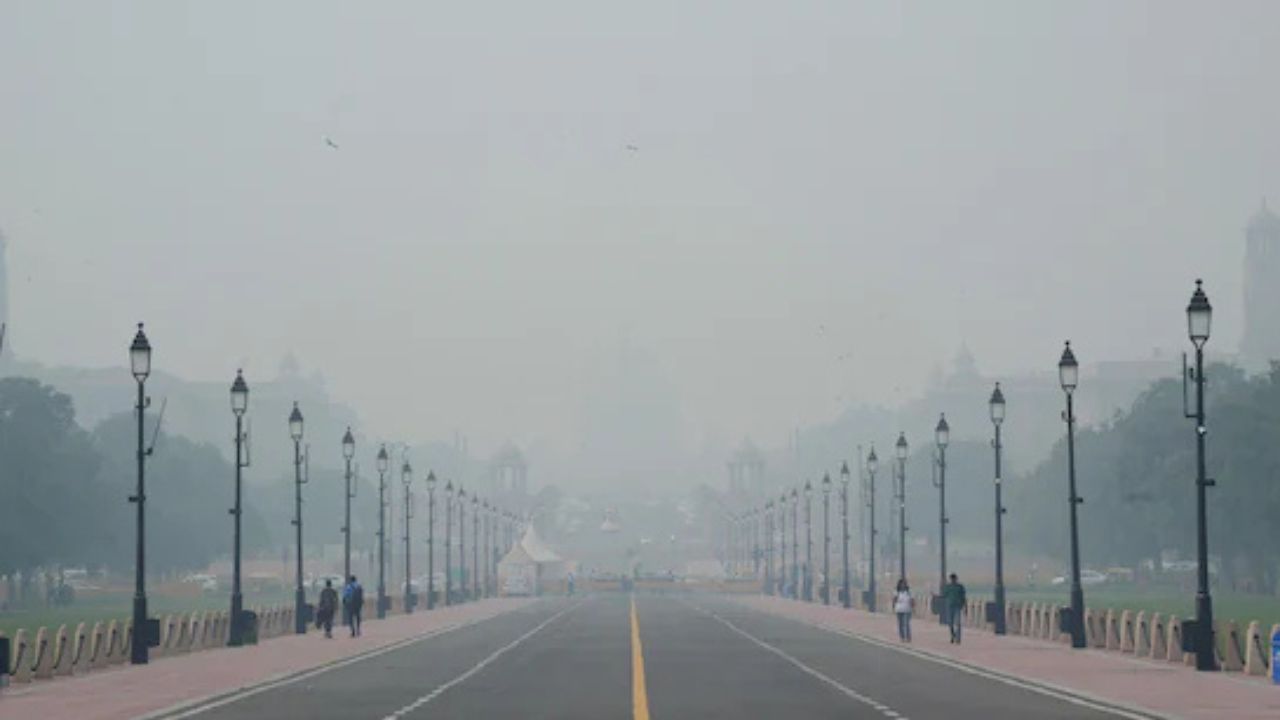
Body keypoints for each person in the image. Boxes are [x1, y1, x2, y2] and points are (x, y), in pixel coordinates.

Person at [943, 572, 967, 644]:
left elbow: (963, 597)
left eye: (954, 579)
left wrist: (965, 607)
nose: (953, 580)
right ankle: (953, 635)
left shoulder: (960, 587)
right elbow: (944, 595)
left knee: (958, 623)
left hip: (958, 606)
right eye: (952, 579)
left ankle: (958, 639)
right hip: (950, 606)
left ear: (956, 579)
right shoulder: (948, 587)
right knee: (950, 623)